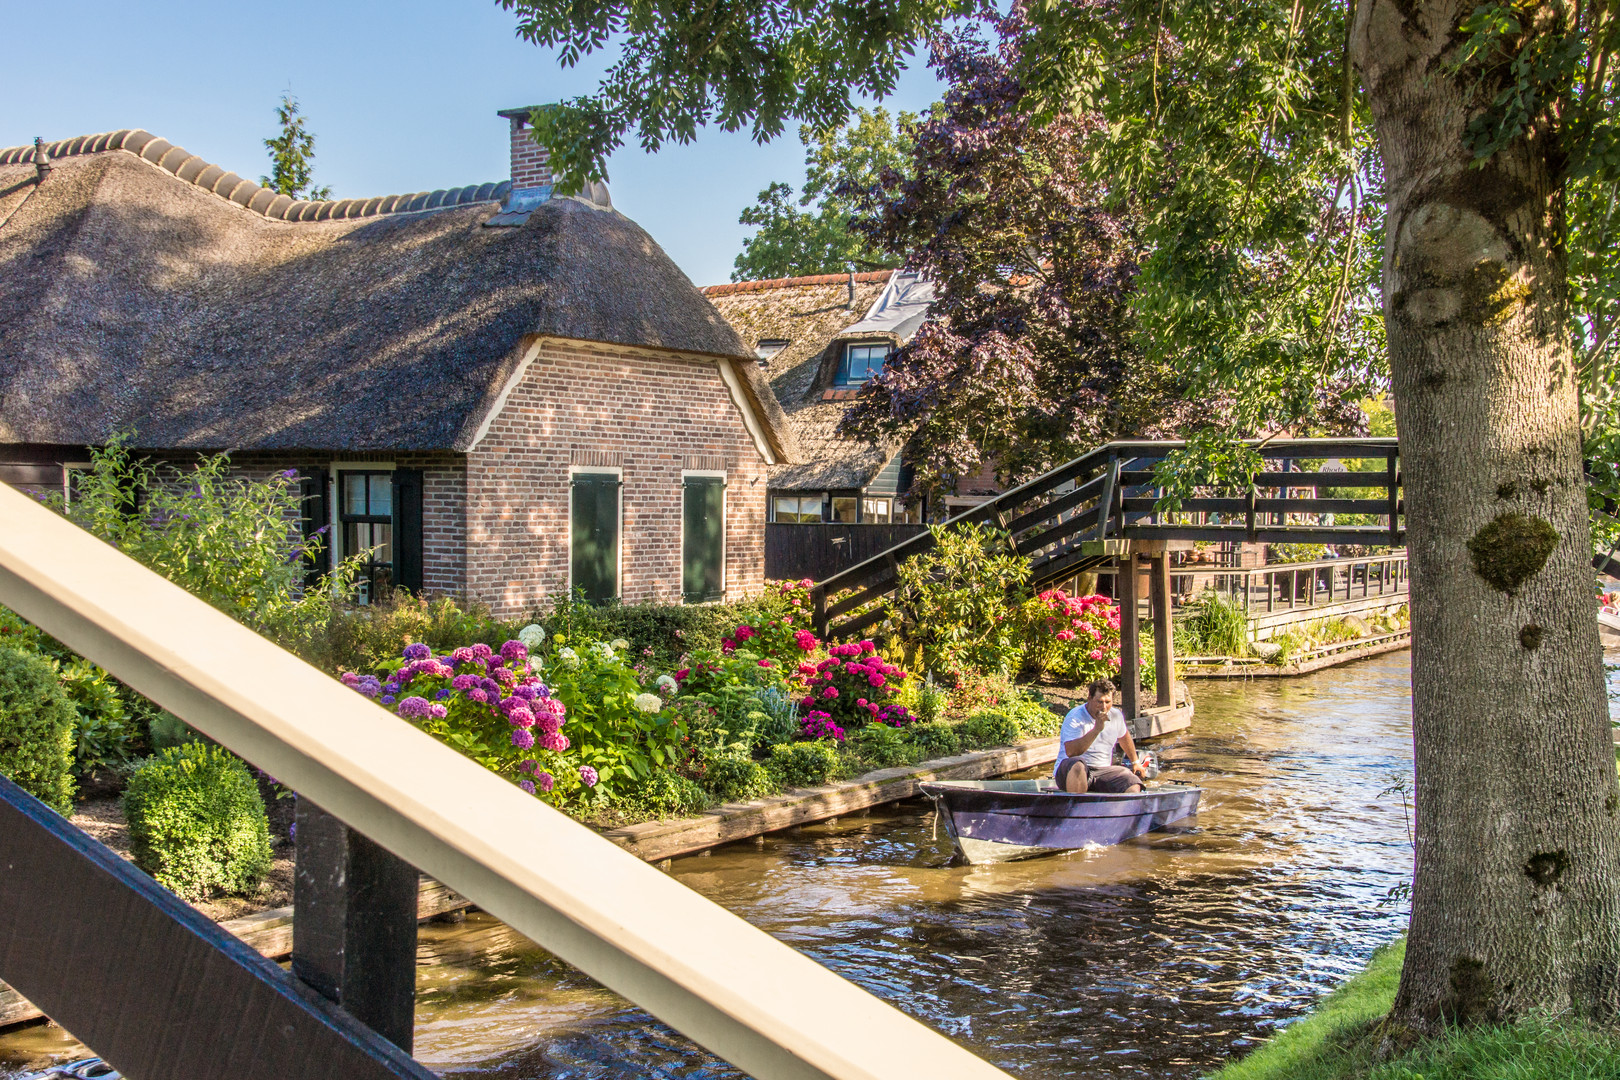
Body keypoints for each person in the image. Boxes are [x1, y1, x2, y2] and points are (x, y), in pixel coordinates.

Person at [1053, 678, 1147, 794]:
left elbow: (1124, 737)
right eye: (1099, 702)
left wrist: (1135, 762)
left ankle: (1125, 810)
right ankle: (1077, 807)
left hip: (1102, 771)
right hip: (1070, 771)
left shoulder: (1116, 715)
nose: (1103, 707)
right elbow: (1071, 752)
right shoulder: (1075, 717)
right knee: (1078, 765)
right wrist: (1096, 729)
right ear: (1089, 698)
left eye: (1107, 702)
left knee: (1131, 780)